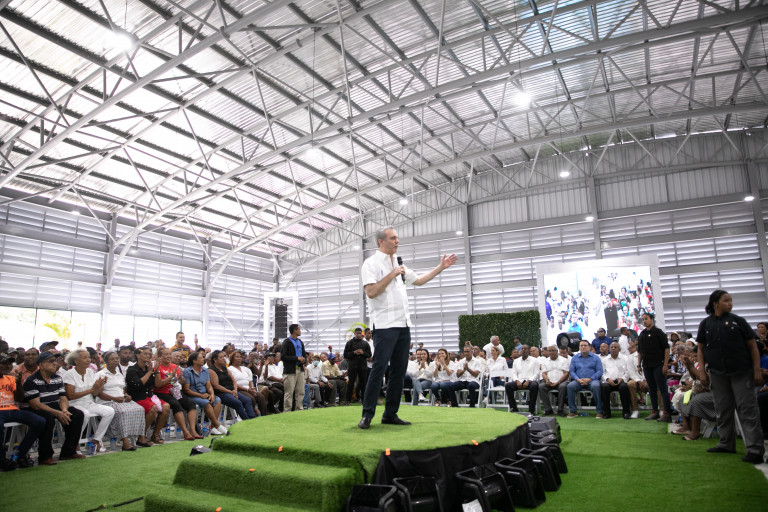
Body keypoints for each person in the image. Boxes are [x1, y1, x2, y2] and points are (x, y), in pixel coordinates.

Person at [357, 226, 457, 429]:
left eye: (397, 238)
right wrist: (392, 274)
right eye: (393, 238)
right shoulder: (371, 263)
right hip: (384, 325)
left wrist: (440, 267)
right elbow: (371, 292)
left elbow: (419, 280)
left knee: (399, 370)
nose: (397, 241)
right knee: (379, 368)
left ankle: (390, 414)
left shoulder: (398, 262)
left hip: (403, 324)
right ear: (381, 241)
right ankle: (367, 415)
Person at [696, 290, 765, 464]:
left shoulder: (738, 321)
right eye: (726, 300)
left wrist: (756, 370)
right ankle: (726, 443)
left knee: (747, 409)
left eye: (731, 300)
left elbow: (753, 346)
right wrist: (702, 372)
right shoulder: (706, 324)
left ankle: (755, 449)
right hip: (717, 373)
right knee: (722, 408)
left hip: (741, 372)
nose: (730, 303)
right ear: (715, 303)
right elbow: (701, 349)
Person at [23, 351, 85, 465]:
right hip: (37, 407)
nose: (55, 363)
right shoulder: (31, 380)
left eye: (56, 361)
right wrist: (57, 412)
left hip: (54, 405)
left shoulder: (57, 378)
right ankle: (45, 456)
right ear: (41, 365)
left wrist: (64, 410)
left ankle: (68, 452)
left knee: (77, 414)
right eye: (51, 361)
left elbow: (63, 398)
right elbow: (36, 404)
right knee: (48, 417)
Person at [63, 348, 115, 452]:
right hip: (74, 404)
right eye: (84, 358)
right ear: (76, 361)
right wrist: (92, 389)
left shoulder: (90, 372)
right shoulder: (69, 374)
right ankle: (75, 442)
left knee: (110, 411)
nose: (88, 360)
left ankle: (97, 440)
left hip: (89, 403)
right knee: (84, 414)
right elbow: (70, 396)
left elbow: (95, 393)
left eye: (89, 357)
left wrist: (100, 386)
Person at [0, 352, 45, 470]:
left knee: (39, 421)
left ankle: (20, 454)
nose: (7, 366)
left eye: (9, 363)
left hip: (12, 410)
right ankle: (2, 459)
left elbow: (19, 399)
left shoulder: (10, 379)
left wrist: (18, 383)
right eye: (3, 363)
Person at [95, 351, 147, 451]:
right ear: (106, 361)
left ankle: (141, 437)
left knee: (139, 409)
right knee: (122, 412)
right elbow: (98, 393)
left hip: (120, 399)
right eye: (112, 359)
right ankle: (125, 441)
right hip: (106, 401)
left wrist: (127, 396)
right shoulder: (101, 374)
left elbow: (123, 390)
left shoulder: (119, 374)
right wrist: (114, 398)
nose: (115, 360)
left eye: (116, 359)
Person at [125, 346, 170, 446]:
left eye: (149, 354)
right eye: (145, 353)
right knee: (153, 408)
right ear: (137, 355)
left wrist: (156, 371)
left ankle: (155, 434)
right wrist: (150, 372)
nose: (148, 356)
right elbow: (138, 384)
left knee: (166, 407)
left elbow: (157, 384)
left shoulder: (148, 368)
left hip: (149, 396)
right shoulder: (132, 369)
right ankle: (142, 436)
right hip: (137, 397)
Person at [153, 348, 199, 440]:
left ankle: (193, 430)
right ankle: (185, 432)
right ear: (160, 357)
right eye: (166, 354)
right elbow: (158, 385)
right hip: (161, 393)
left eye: (169, 354)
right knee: (176, 405)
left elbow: (181, 382)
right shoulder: (157, 368)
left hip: (174, 391)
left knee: (191, 403)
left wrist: (181, 378)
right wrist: (171, 377)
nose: (169, 356)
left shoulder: (174, 366)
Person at [182, 351, 228, 435]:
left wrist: (212, 394)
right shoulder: (187, 372)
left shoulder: (205, 370)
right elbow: (186, 389)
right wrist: (201, 395)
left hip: (205, 394)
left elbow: (209, 385)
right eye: (200, 358)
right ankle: (217, 425)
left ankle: (213, 427)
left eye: (203, 358)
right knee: (206, 403)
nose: (203, 359)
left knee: (217, 401)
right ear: (194, 361)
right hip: (193, 395)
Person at [637, 313, 672, 422]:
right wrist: (639, 365)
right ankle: (654, 411)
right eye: (643, 319)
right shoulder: (642, 334)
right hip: (647, 365)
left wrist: (665, 364)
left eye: (646, 319)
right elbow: (640, 351)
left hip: (658, 364)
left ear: (652, 319)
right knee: (651, 389)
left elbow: (666, 349)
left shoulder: (658, 332)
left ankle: (667, 413)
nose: (644, 321)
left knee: (662, 389)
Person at [209, 350, 257, 420]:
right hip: (221, 393)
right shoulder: (211, 370)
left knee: (247, 400)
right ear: (215, 359)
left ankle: (252, 419)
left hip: (232, 391)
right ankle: (247, 420)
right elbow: (216, 386)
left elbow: (233, 381)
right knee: (238, 403)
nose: (223, 359)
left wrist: (235, 390)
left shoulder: (225, 368)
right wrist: (230, 392)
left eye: (224, 357)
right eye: (221, 357)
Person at [566, 341, 604, 419]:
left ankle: (599, 411)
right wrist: (578, 379)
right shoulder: (574, 358)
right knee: (570, 386)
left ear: (589, 347)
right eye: (581, 345)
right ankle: (573, 411)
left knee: (596, 386)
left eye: (585, 345)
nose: (583, 347)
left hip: (592, 380)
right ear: (579, 347)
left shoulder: (596, 358)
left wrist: (590, 379)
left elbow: (600, 371)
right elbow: (572, 371)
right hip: (578, 381)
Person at [229, 350, 268, 416]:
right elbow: (233, 383)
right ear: (232, 358)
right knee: (251, 398)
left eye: (240, 357)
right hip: (239, 389)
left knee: (261, 397)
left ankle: (264, 416)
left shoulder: (245, 369)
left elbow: (250, 381)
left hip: (249, 388)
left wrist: (252, 388)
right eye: (237, 357)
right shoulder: (230, 369)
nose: (239, 358)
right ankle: (254, 413)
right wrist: (247, 390)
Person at [600, 342, 632, 419]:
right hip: (609, 381)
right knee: (604, 387)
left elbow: (628, 371)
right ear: (609, 349)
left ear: (619, 349)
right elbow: (602, 373)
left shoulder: (625, 358)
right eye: (612, 347)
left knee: (624, 387)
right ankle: (606, 413)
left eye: (615, 347)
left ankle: (626, 412)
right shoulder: (605, 360)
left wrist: (622, 379)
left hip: (621, 381)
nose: (613, 348)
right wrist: (608, 379)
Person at [506, 345, 540, 413]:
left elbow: (537, 373)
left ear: (528, 351)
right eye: (522, 349)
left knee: (534, 386)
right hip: (519, 380)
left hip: (530, 381)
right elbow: (514, 373)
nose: (523, 350)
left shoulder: (535, 360)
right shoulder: (516, 361)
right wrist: (517, 380)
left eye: (525, 349)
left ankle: (531, 410)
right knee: (508, 386)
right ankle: (514, 408)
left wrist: (529, 381)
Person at [281, 324, 307, 412]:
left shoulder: (300, 342)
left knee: (301, 391)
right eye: (299, 329)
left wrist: (304, 359)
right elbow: (283, 357)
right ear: (294, 331)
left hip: (300, 369)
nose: (300, 331)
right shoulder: (286, 342)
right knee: (289, 392)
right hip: (290, 371)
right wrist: (296, 358)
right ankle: (287, 411)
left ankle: (299, 409)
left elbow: (304, 354)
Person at [539, 345, 570, 416]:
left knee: (563, 387)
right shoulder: (545, 361)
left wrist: (558, 382)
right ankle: (548, 410)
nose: (551, 352)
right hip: (549, 382)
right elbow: (544, 373)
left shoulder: (564, 360)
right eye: (549, 351)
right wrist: (547, 380)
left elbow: (566, 373)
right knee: (541, 386)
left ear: (557, 351)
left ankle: (560, 410)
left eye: (553, 351)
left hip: (561, 381)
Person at [344, 327, 371, 403]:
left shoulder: (365, 343)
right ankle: (348, 400)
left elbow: (369, 354)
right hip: (352, 366)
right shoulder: (349, 343)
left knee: (363, 383)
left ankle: (364, 400)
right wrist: (354, 353)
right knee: (351, 383)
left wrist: (363, 353)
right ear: (354, 334)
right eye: (357, 333)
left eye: (360, 333)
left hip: (362, 366)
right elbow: (345, 355)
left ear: (362, 334)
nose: (359, 335)